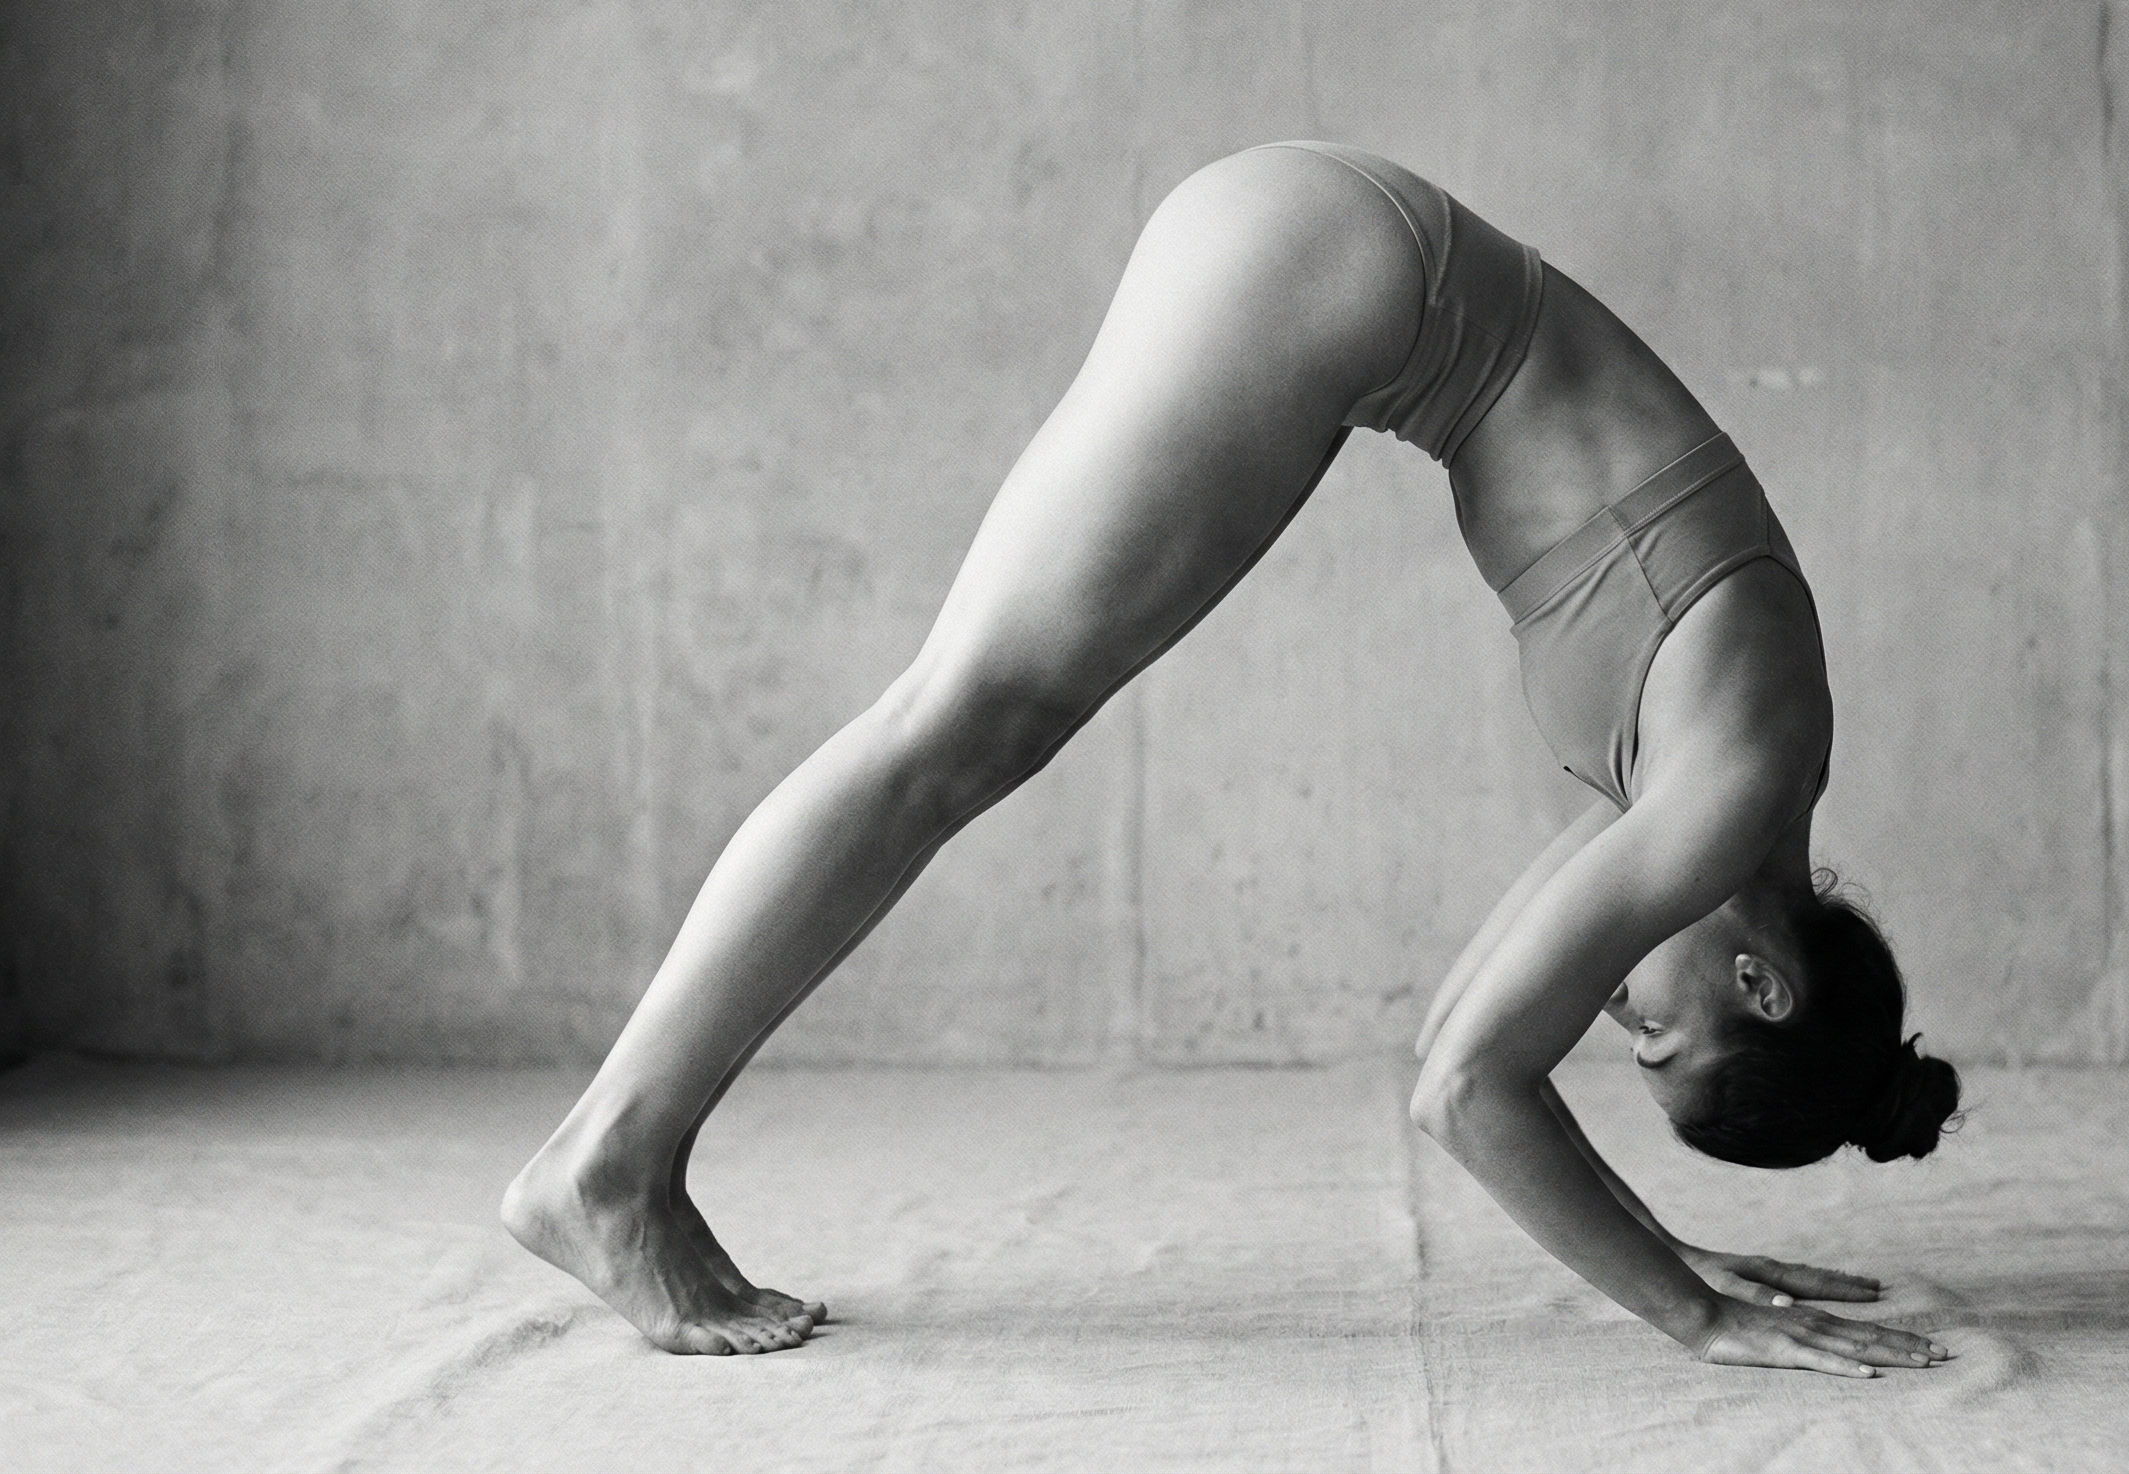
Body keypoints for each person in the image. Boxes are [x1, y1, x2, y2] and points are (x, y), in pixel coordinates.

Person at [502, 143, 1962, 1374]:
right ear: (1762, 979)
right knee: (959, 723)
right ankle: (609, 1164)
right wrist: (1689, 1315)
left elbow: (1464, 1024)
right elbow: (1469, 1087)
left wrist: (1661, 1242)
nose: (1617, 1016)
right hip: (1344, 271)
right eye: (1657, 1033)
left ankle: (617, 1156)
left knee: (969, 722)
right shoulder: (1723, 796)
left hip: (1334, 255)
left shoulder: (1711, 776)